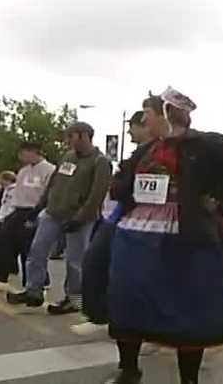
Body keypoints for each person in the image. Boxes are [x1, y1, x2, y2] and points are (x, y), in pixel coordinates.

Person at [105, 88, 223, 384]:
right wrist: (122, 184)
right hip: (136, 231)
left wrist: (216, 195)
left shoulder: (203, 144)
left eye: (148, 115)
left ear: (165, 113)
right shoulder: (146, 149)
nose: (144, 121)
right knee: (130, 297)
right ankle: (128, 368)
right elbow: (124, 177)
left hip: (186, 232)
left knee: (188, 305)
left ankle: (189, 378)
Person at [7, 123, 111, 315]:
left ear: (83, 136)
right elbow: (54, 183)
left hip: (79, 218)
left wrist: (80, 218)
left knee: (74, 260)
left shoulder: (100, 162)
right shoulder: (68, 157)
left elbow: (97, 195)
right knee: (37, 250)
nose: (67, 141)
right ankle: (33, 291)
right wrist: (40, 206)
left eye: (70, 136)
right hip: (53, 212)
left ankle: (73, 298)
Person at [75, 110, 152, 336]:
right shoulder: (138, 155)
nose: (128, 131)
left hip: (141, 220)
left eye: (133, 126)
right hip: (117, 217)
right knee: (94, 262)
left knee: (136, 275)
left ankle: (144, 327)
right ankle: (100, 315)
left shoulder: (157, 156)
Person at [0, 142, 55, 291]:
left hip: (35, 210)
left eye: (23, 153)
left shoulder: (50, 170)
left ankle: (36, 283)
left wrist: (39, 214)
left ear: (33, 152)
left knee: (29, 247)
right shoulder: (23, 172)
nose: (20, 157)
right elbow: (17, 194)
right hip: (18, 210)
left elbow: (49, 194)